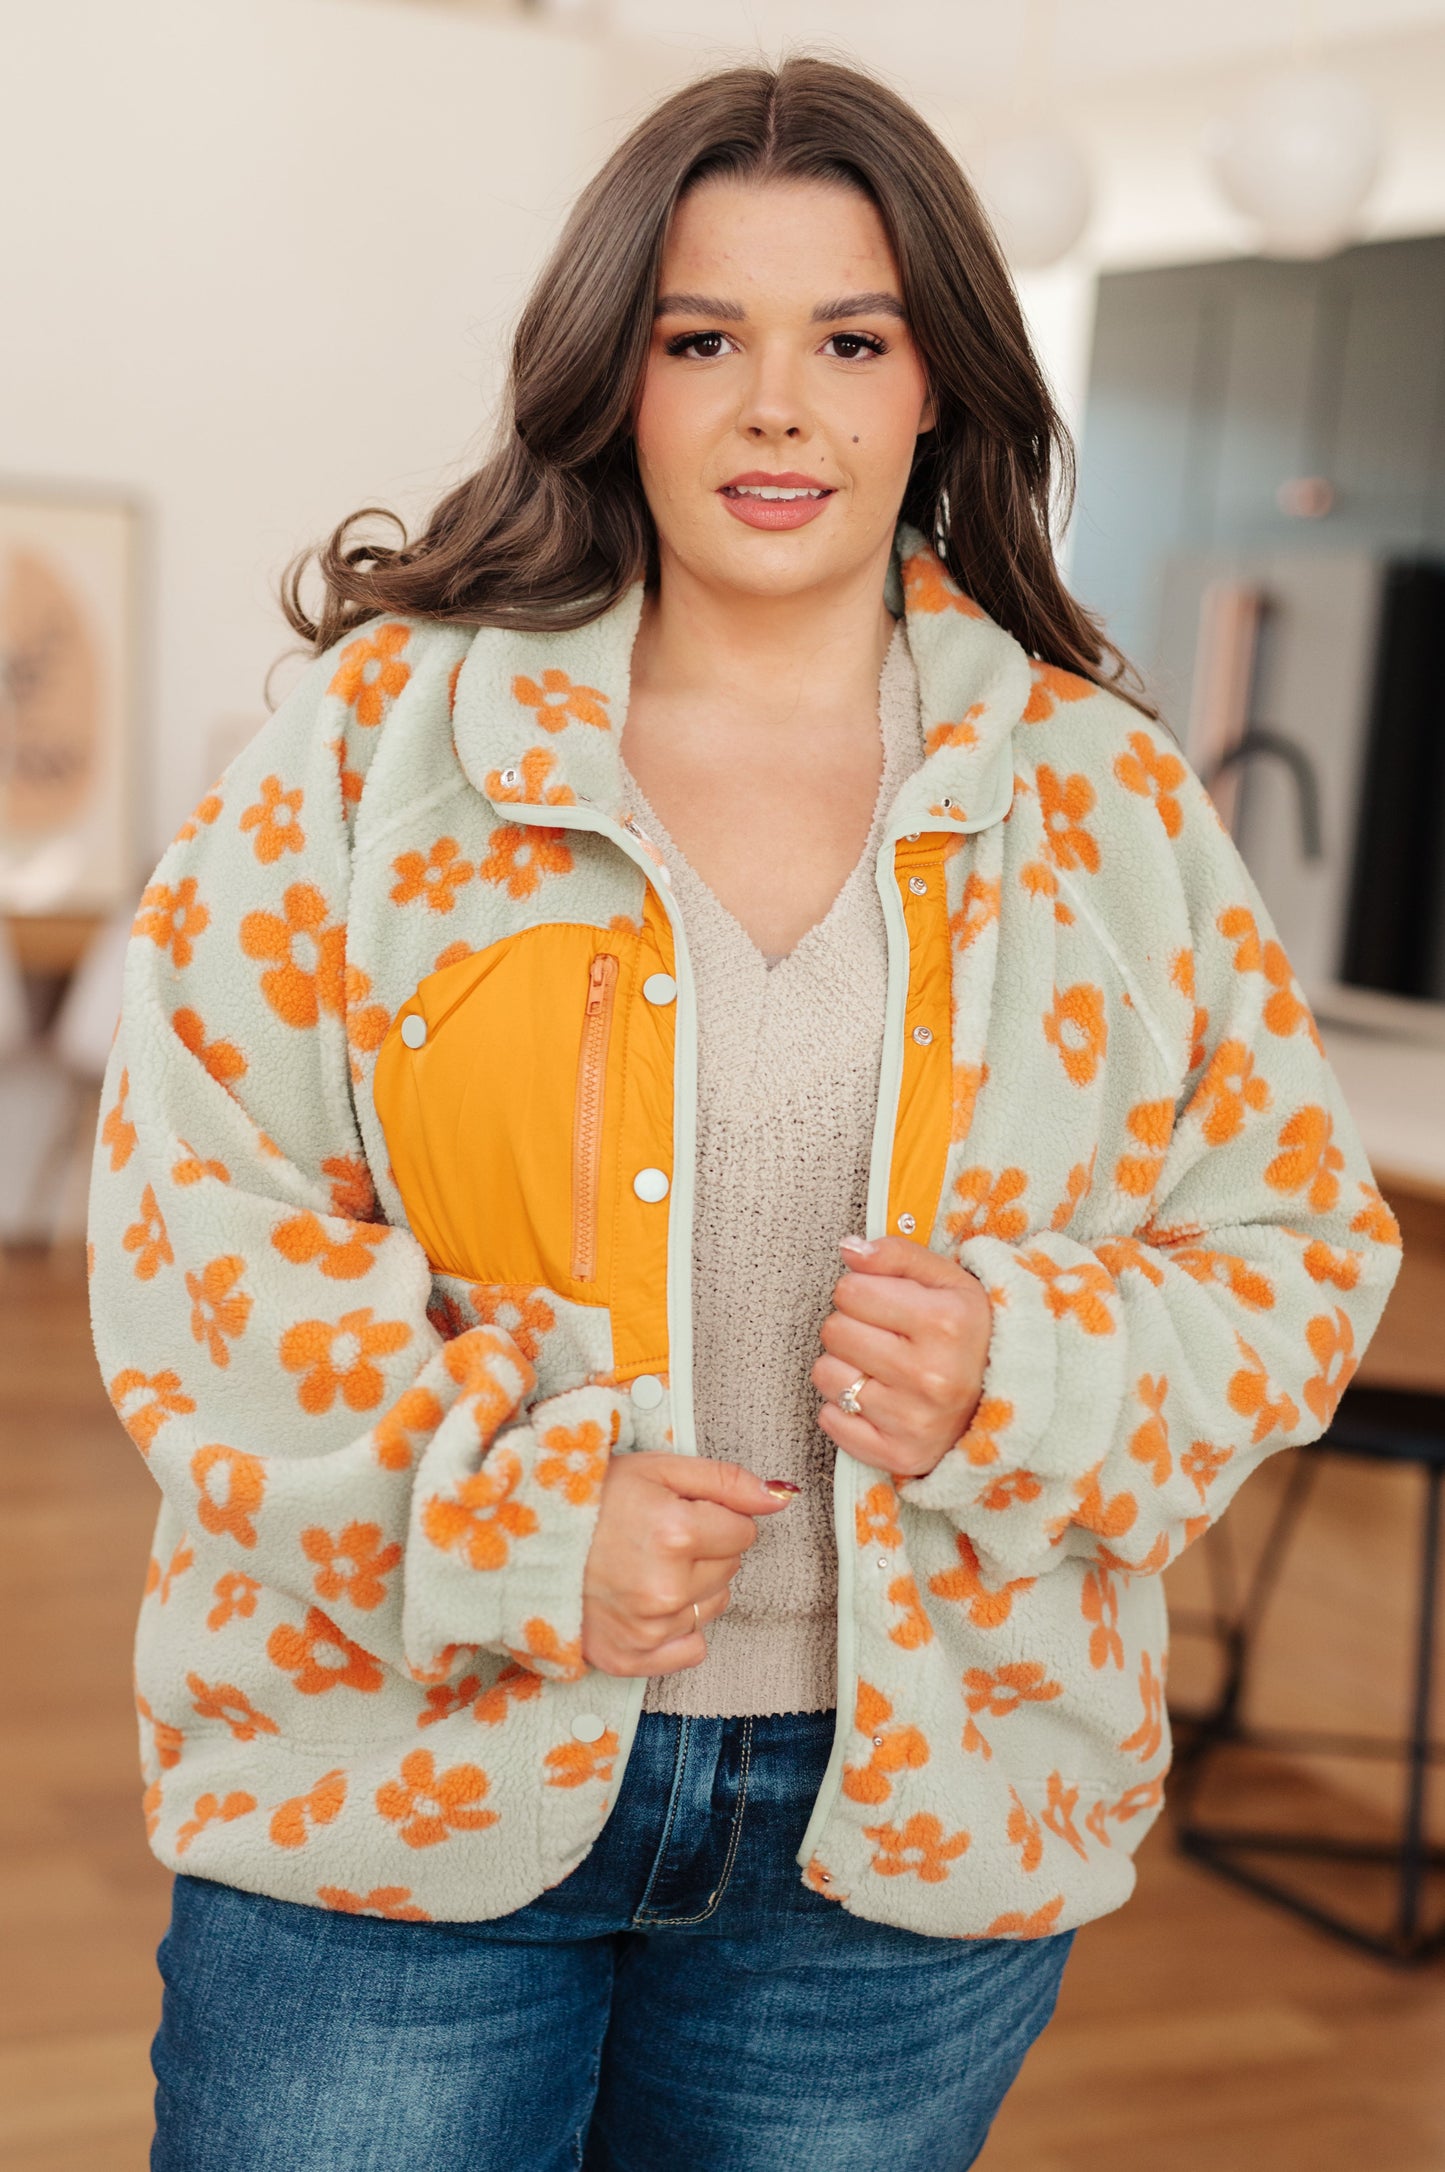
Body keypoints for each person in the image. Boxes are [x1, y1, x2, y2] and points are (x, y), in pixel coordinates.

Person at [88, 53, 1403, 2172]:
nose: (778, 406)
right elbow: (192, 1248)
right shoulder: (375, 750)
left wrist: (1029, 1366)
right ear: (620, 378)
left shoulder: (1107, 804)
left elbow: (1302, 1258)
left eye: (850, 340)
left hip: (907, 1848)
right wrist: (524, 1529)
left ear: (936, 391)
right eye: (707, 337)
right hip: (391, 1788)